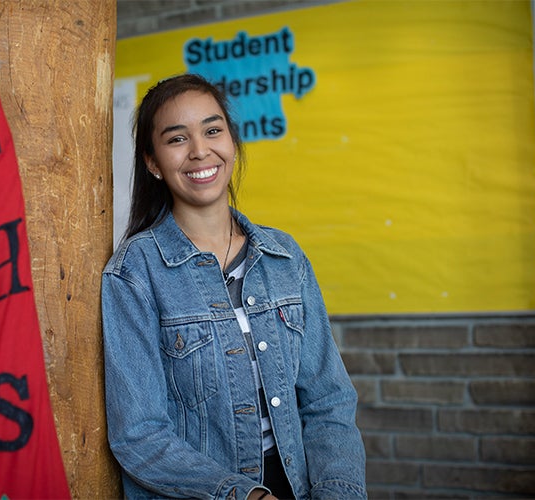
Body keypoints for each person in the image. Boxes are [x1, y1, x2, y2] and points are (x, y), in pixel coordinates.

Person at [101, 74, 366, 500]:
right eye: (176, 139)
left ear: (232, 141)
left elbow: (328, 400)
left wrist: (339, 491)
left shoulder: (285, 256)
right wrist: (244, 495)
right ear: (152, 162)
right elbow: (140, 436)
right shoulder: (134, 274)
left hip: (301, 486)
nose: (200, 151)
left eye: (212, 130)